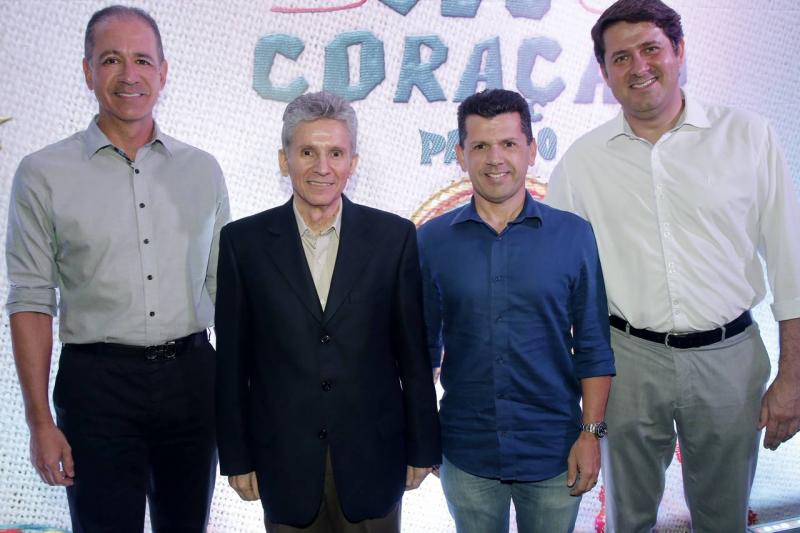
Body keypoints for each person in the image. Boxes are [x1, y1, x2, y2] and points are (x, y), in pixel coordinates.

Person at [545, 0, 800, 531]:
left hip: (730, 361)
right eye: (620, 58)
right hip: (627, 362)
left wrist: (794, 376)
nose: (638, 67)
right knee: (628, 518)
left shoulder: (748, 137)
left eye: (651, 49)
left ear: (679, 51)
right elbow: (558, 286)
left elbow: (790, 263)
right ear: (604, 72)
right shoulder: (581, 162)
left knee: (723, 519)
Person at [5, 6, 229, 532]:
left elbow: (225, 289)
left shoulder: (202, 170)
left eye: (142, 60)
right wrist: (40, 422)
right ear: (87, 72)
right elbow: (31, 301)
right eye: (111, 60)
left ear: (163, 73)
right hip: (96, 389)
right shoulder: (42, 173)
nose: (129, 75)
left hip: (192, 381)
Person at [215, 90, 441, 533]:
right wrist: (236, 456)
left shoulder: (393, 238)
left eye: (335, 153)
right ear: (284, 160)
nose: (322, 167)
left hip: (376, 458)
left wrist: (423, 447)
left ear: (353, 162)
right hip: (283, 461)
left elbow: (413, 356)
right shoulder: (243, 243)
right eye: (307, 152)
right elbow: (232, 363)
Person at [417, 88, 615, 533]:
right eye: (480, 146)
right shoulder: (430, 242)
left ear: (531, 149)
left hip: (555, 450)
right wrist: (421, 437)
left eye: (508, 143)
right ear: (460, 155)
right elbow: (421, 351)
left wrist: (591, 434)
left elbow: (593, 346)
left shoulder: (574, 236)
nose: (495, 159)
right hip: (466, 451)